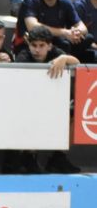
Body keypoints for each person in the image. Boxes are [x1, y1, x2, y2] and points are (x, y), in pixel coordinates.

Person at [17, 25, 81, 173]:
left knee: (74, 115)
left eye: (41, 45)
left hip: (55, 103)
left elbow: (77, 63)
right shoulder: (23, 56)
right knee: (31, 115)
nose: (37, 50)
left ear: (49, 45)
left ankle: (58, 157)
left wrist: (64, 58)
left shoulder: (57, 53)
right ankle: (28, 157)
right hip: (30, 103)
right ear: (28, 45)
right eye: (34, 45)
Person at [14, 0, 94, 63]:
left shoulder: (65, 2)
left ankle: (66, 62)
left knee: (88, 38)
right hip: (31, 44)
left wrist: (76, 32)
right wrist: (65, 32)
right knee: (63, 44)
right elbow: (32, 27)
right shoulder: (31, 0)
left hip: (53, 45)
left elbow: (83, 28)